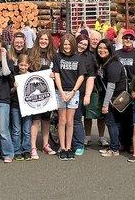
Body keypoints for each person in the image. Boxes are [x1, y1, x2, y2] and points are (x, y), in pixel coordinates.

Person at [53, 33, 86, 160]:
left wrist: (73, 91)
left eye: (69, 44)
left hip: (73, 92)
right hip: (60, 92)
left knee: (70, 121)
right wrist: (61, 91)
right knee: (62, 121)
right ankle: (62, 147)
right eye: (65, 44)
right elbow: (56, 74)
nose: (67, 46)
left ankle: (68, 146)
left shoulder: (78, 58)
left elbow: (81, 76)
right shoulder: (57, 57)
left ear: (73, 45)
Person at [95, 39, 126, 157]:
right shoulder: (105, 62)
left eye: (105, 48)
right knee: (114, 123)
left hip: (115, 98)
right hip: (112, 97)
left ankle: (114, 149)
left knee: (111, 122)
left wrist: (105, 104)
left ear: (110, 50)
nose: (102, 50)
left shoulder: (113, 64)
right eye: (100, 48)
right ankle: (115, 145)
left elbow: (111, 87)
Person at [114, 29, 135, 152]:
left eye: (131, 38)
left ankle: (132, 143)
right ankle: (122, 142)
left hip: (133, 88)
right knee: (120, 117)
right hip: (119, 89)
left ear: (133, 40)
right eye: (126, 38)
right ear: (122, 39)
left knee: (131, 118)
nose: (128, 40)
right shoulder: (116, 53)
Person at [29, 30, 57, 158]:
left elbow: (57, 71)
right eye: (41, 39)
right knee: (35, 120)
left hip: (48, 93)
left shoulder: (53, 55)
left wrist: (54, 75)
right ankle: (33, 147)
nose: (43, 41)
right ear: (37, 40)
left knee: (46, 119)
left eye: (46, 39)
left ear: (49, 41)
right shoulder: (31, 53)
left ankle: (46, 144)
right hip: (34, 92)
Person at [73, 34, 96, 156]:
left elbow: (91, 77)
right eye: (80, 43)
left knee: (76, 119)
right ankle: (66, 143)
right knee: (65, 119)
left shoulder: (89, 58)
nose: (82, 46)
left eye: (85, 44)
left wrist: (87, 95)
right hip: (65, 91)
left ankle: (78, 144)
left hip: (80, 93)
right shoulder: (69, 53)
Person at [86, 29, 108, 146]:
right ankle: (87, 136)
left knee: (101, 115)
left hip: (101, 88)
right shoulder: (86, 53)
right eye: (93, 39)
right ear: (90, 40)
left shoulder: (103, 53)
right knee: (88, 115)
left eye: (97, 39)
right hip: (89, 88)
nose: (95, 41)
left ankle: (101, 137)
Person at [12, 54, 33, 160]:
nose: (23, 67)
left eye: (25, 65)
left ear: (28, 65)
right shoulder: (14, 75)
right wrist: (14, 87)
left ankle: (26, 150)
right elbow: (10, 91)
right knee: (16, 129)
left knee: (26, 129)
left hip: (28, 107)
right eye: (21, 65)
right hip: (16, 105)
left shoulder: (32, 76)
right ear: (18, 64)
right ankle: (17, 150)